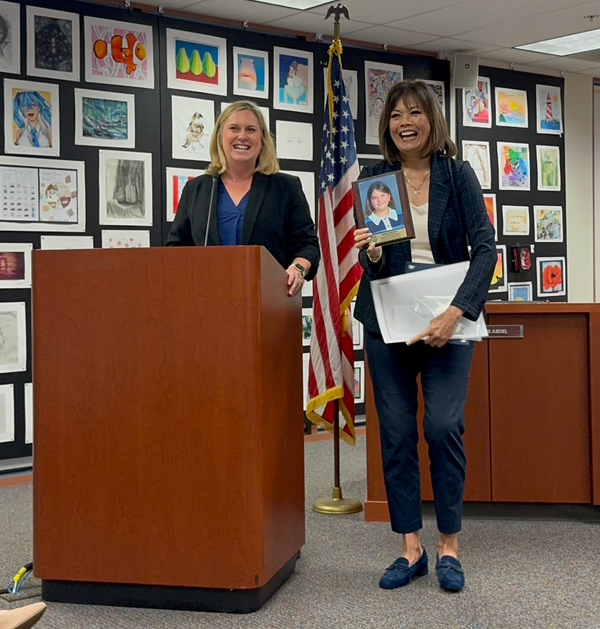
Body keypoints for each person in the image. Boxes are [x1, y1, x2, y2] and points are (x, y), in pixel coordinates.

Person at [353, 80, 496, 593]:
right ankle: (410, 548)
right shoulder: (375, 178)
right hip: (387, 321)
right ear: (387, 125)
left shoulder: (457, 176)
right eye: (395, 115)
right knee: (394, 432)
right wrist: (369, 254)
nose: (404, 121)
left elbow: (485, 248)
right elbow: (377, 266)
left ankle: (449, 546)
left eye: (414, 112)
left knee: (442, 426)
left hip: (448, 319)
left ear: (432, 120)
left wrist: (456, 312)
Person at [167, 100, 319, 295]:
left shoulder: (286, 188)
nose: (242, 136)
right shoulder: (196, 189)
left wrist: (297, 269)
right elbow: (175, 248)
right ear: (220, 136)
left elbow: (307, 244)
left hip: (269, 303)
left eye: (251, 130)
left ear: (262, 139)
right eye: (234, 128)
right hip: (205, 304)